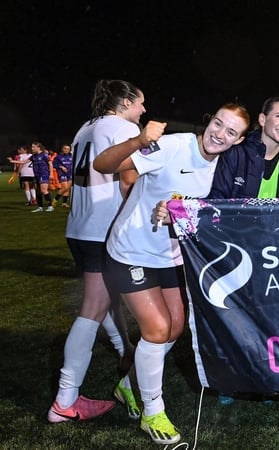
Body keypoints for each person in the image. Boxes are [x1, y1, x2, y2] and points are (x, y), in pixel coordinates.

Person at [94, 102, 250, 445]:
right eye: (219, 124)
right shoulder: (175, 145)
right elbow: (102, 165)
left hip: (170, 258)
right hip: (129, 251)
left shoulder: (222, 166)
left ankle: (128, 386)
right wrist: (138, 142)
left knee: (175, 328)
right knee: (157, 328)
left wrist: (180, 214)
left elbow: (209, 213)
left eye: (231, 132)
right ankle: (152, 411)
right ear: (210, 119)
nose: (220, 135)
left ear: (238, 140)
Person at [207, 96, 279, 405]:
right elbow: (217, 199)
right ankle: (229, 381)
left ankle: (267, 381)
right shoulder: (237, 153)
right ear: (262, 120)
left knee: (270, 318)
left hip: (275, 251)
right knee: (233, 316)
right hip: (237, 249)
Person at [48, 79, 147, 426]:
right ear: (124, 104)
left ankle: (125, 351)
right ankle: (66, 398)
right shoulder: (122, 128)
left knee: (102, 300)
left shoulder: (85, 128)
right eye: (139, 104)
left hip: (78, 226)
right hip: (100, 228)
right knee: (92, 308)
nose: (143, 110)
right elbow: (130, 176)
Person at [28, 141, 54, 212]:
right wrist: (13, 161)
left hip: (44, 174)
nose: (32, 148)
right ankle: (40, 207)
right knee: (38, 191)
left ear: (38, 148)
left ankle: (50, 206)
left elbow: (50, 164)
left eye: (33, 147)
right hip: (36, 175)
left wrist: (51, 174)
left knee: (44, 190)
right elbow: (24, 162)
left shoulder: (44, 155)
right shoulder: (33, 156)